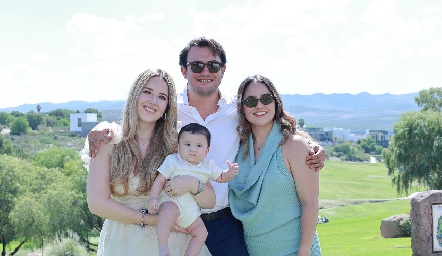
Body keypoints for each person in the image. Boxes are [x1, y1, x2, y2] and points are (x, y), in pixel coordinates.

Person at [87, 37, 327, 256]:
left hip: (224, 224)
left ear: (223, 70)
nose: (205, 71)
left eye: (212, 65)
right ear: (184, 70)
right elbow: (137, 125)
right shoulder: (169, 111)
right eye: (196, 66)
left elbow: (273, 126)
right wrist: (104, 126)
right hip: (176, 223)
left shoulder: (238, 111)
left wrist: (311, 145)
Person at [85, 68, 212, 256]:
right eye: (147, 92)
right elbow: (97, 203)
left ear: (168, 106)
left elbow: (209, 201)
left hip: (172, 243)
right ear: (135, 94)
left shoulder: (176, 144)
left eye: (162, 97)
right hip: (122, 243)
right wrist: (152, 220)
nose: (153, 102)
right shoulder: (108, 140)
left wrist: (193, 184)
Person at [229, 74, 322, 256]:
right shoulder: (238, 148)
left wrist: (304, 252)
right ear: (242, 107)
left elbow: (310, 203)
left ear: (276, 102)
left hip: (295, 251)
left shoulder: (295, 146)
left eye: (266, 98)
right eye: (250, 101)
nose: (259, 106)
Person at [148, 122, 239, 256]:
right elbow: (160, 180)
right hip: (172, 203)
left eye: (199, 146)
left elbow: (221, 177)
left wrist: (229, 173)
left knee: (202, 233)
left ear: (207, 151)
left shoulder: (208, 165)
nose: (193, 149)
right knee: (166, 214)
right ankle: (163, 247)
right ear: (178, 147)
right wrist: (153, 198)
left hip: (191, 212)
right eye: (187, 144)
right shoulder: (173, 160)